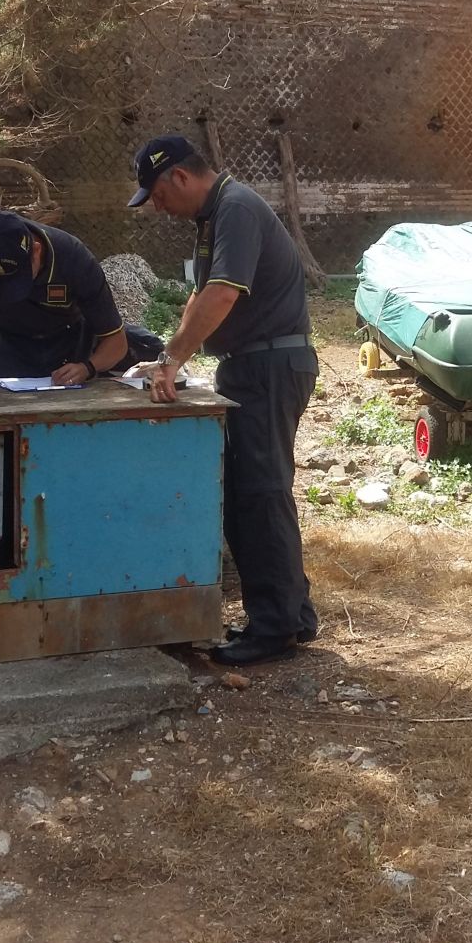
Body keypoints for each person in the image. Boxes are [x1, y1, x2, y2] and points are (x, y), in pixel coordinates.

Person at [130, 134, 319, 666]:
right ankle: (291, 615)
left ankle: (275, 627)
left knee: (259, 494)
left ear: (180, 178)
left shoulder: (235, 208)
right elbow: (200, 293)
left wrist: (173, 359)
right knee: (253, 494)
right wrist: (172, 354)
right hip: (256, 365)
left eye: (159, 196)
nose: (159, 209)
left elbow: (223, 293)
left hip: (270, 366)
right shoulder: (215, 216)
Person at [0, 210, 159, 395]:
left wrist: (87, 367)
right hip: (5, 338)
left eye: (18, 280)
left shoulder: (74, 259)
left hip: (66, 340)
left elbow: (116, 342)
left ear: (37, 250)